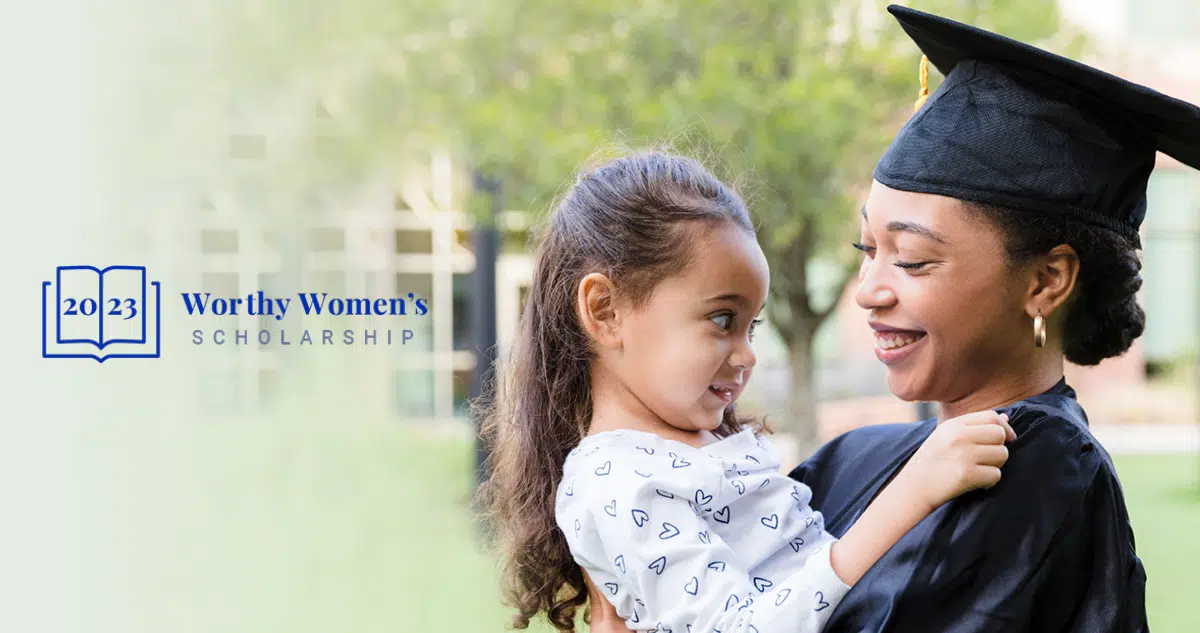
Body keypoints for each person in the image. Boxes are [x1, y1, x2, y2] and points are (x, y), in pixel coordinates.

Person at [585, 5, 1200, 633]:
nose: (868, 292)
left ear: (1046, 282)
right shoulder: (852, 459)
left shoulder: (1042, 471)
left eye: (911, 259)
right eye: (867, 250)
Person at [475, 149, 1018, 633]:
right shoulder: (616, 483)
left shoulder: (693, 449)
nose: (747, 354)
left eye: (751, 326)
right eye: (721, 319)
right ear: (605, 311)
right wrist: (911, 493)